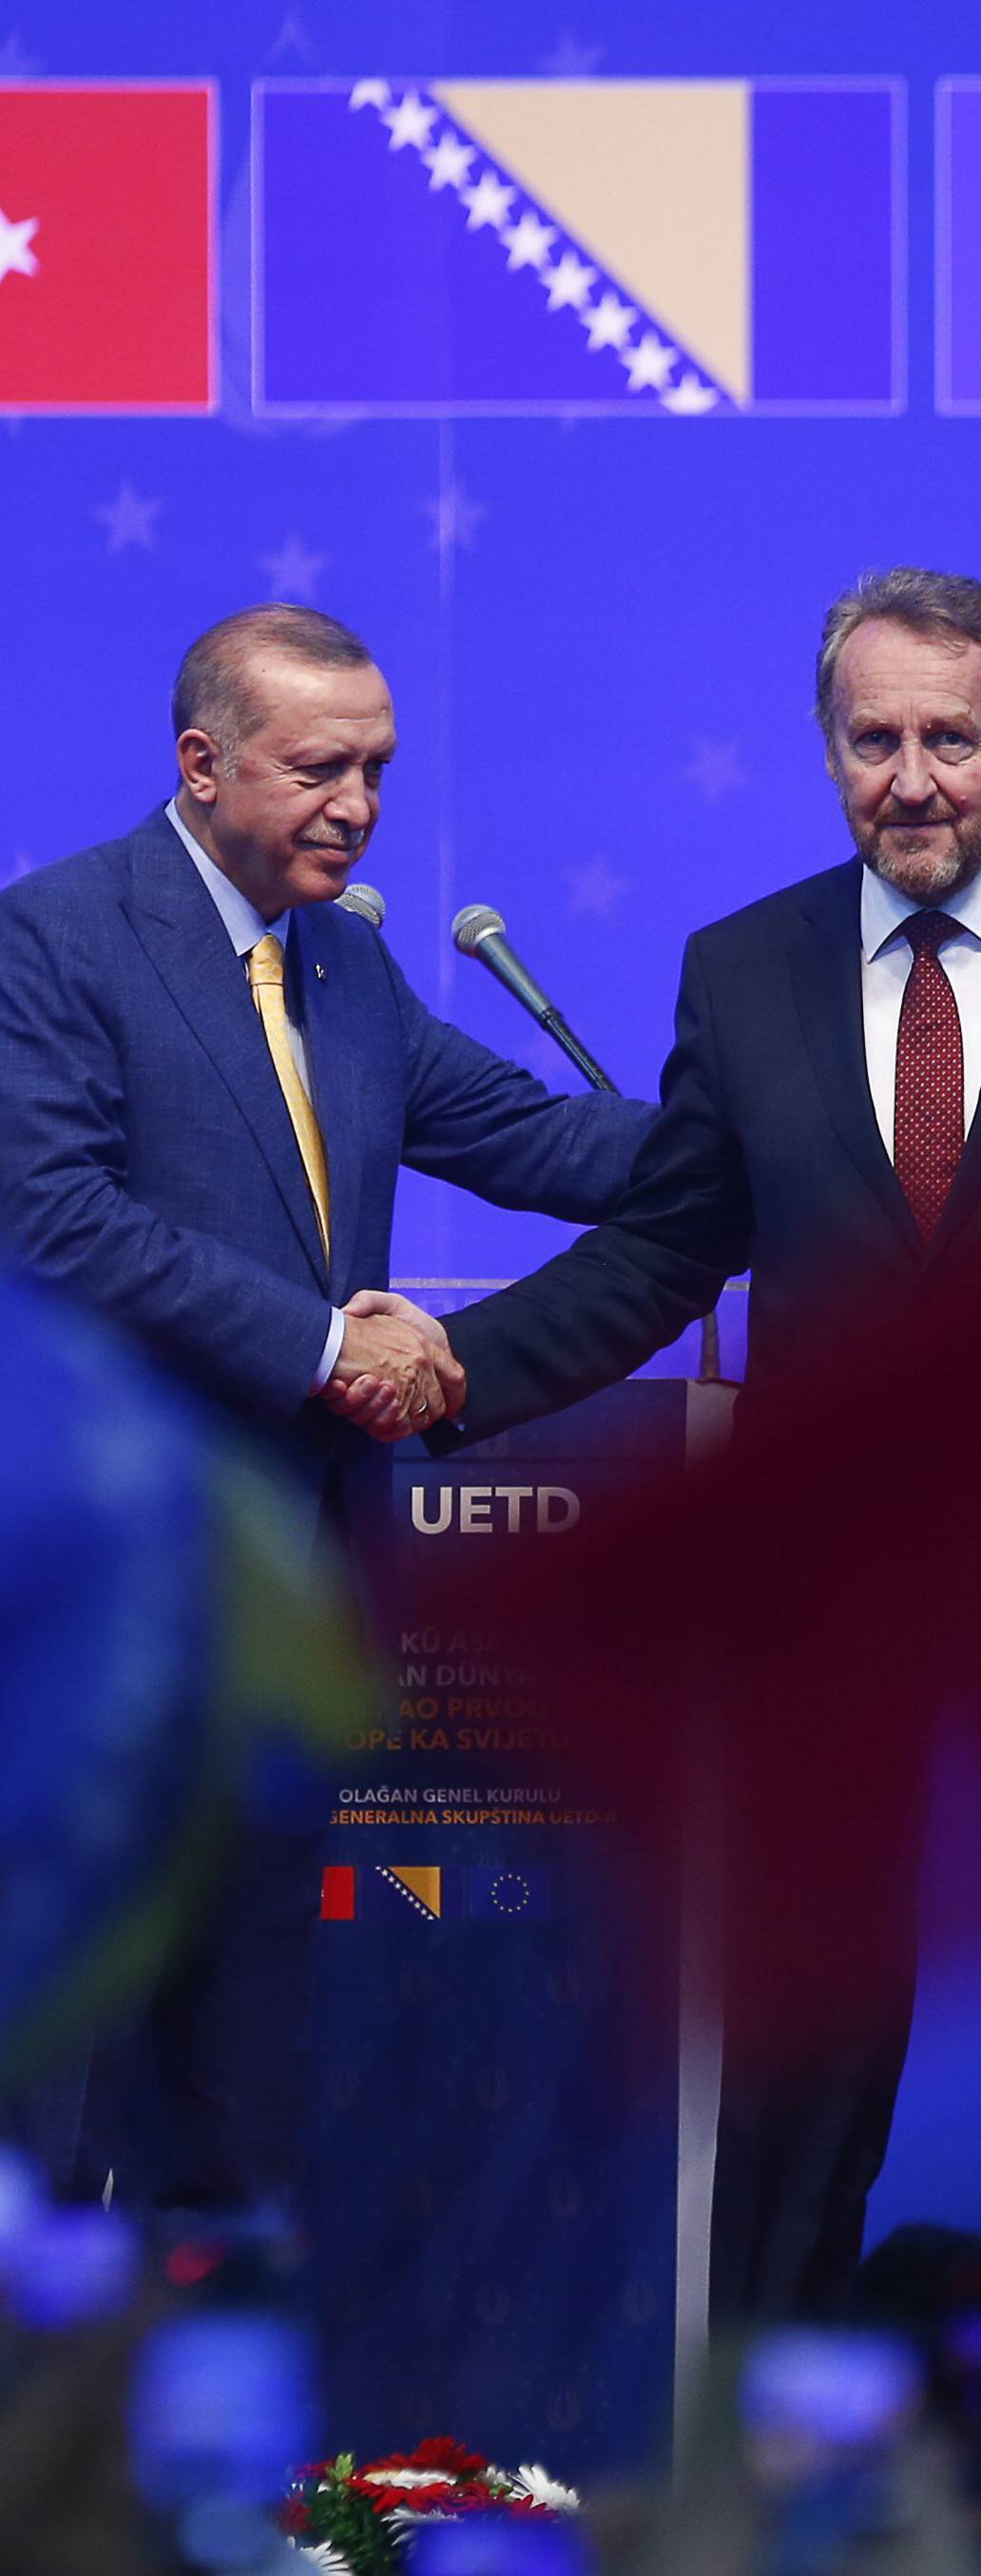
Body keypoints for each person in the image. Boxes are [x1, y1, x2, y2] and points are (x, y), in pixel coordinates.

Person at [345, 567, 981, 2315]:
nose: (911, 779)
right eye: (873, 741)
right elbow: (662, 1251)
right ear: (828, 753)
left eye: (949, 738)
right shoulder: (746, 971)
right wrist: (450, 1369)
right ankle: (759, 2457)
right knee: (805, 2061)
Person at [0, 602, 654, 2211]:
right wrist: (322, 1342)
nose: (357, 805)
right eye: (320, 769)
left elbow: (536, 1143)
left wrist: (782, 1126)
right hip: (115, 1602)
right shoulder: (57, 937)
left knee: (250, 2065)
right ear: (203, 764)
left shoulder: (345, 962)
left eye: (376, 768)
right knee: (81, 2076)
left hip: (296, 1605)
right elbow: (52, 1218)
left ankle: (222, 2410)